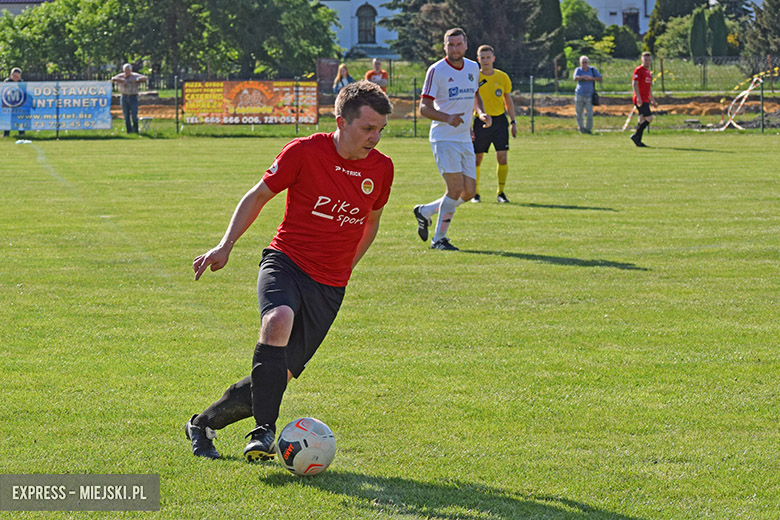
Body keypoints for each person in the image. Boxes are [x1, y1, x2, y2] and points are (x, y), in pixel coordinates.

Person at [185, 81, 394, 461]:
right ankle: (263, 432)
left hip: (330, 287)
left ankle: (202, 424)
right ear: (341, 122)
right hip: (286, 261)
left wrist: (346, 266)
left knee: (272, 381)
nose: (375, 138)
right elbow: (258, 195)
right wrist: (225, 244)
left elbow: (371, 222)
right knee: (277, 319)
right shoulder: (304, 151)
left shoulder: (382, 169)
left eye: (381, 129)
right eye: (367, 128)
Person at [412, 28, 491, 251]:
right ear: (444, 46)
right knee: (455, 189)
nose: (454, 48)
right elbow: (424, 108)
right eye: (450, 44)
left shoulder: (473, 67)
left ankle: (425, 211)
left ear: (466, 45)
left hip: (465, 138)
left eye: (458, 44)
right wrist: (447, 117)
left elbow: (474, 95)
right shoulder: (436, 70)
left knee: (469, 192)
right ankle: (439, 240)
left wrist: (480, 113)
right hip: (444, 138)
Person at [471, 45, 517, 204]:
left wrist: (513, 121)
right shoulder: (474, 77)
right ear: (478, 59)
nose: (485, 61)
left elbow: (508, 101)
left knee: (502, 157)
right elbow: (471, 101)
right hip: (480, 121)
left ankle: (501, 193)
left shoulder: (502, 77)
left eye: (488, 57)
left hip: (499, 122)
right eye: (482, 58)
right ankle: (475, 193)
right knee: (477, 159)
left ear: (493, 59)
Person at [111, 63, 147, 134]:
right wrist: (122, 80)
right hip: (124, 97)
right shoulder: (121, 76)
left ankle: (135, 130)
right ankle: (129, 131)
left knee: (134, 115)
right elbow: (113, 79)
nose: (126, 72)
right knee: (126, 116)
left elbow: (145, 78)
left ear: (131, 70)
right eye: (125, 70)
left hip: (133, 97)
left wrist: (136, 80)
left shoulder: (134, 75)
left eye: (128, 70)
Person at [631, 52, 657, 147]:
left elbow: (649, 88)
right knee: (649, 118)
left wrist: (653, 100)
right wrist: (638, 97)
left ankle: (638, 141)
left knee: (642, 120)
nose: (648, 62)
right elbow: (634, 84)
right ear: (642, 60)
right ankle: (635, 136)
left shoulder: (648, 72)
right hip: (640, 99)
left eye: (649, 60)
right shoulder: (638, 70)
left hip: (646, 99)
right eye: (646, 60)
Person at [573, 55, 602, 135]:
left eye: (585, 62)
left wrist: (591, 78)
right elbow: (575, 78)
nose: (584, 64)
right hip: (579, 94)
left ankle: (588, 129)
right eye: (582, 62)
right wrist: (583, 77)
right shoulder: (578, 70)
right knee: (579, 112)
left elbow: (600, 78)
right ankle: (581, 129)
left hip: (589, 95)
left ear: (588, 63)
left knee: (589, 113)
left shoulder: (592, 70)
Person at [3, 67, 25, 138]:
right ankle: (6, 134)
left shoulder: (22, 83)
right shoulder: (7, 82)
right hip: (8, 104)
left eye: (18, 76)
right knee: (7, 119)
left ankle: (21, 134)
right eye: (15, 76)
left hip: (19, 104)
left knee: (20, 118)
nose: (16, 78)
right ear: (11, 75)